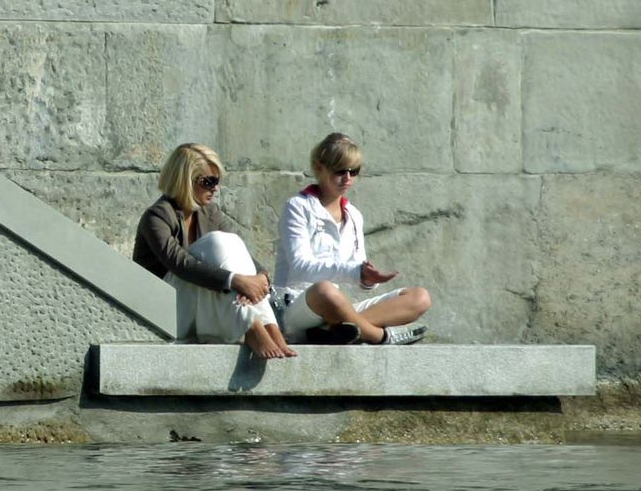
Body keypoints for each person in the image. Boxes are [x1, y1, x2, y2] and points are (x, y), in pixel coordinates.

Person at [134, 143, 295, 359]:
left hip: (197, 307)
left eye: (217, 181)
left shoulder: (210, 213)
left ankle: (268, 326)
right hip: (164, 312)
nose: (215, 188)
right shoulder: (157, 217)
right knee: (216, 243)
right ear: (185, 181)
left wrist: (261, 278)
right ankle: (252, 327)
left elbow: (239, 252)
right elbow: (180, 264)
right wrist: (235, 281)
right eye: (208, 181)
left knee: (230, 243)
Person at [271, 133, 431, 346]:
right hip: (299, 307)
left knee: (420, 297)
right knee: (325, 290)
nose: (347, 178)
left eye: (353, 171)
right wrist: (356, 273)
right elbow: (300, 267)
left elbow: (358, 275)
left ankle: (337, 332)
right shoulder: (298, 207)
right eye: (340, 171)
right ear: (319, 168)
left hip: (343, 309)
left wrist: (368, 280)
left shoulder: (354, 215)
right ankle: (380, 336)